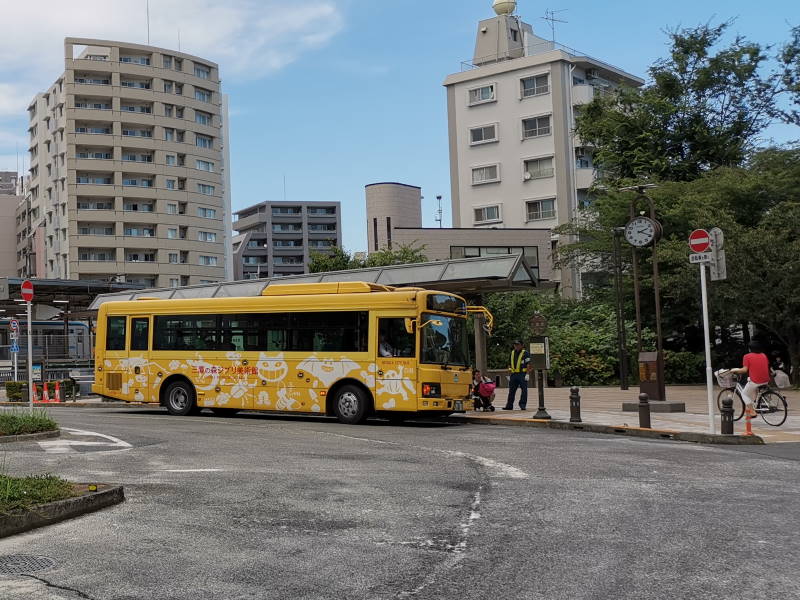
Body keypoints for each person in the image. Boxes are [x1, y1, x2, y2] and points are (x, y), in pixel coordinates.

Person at [730, 341, 770, 419]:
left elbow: (744, 370)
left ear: (750, 349)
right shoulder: (763, 355)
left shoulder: (747, 356)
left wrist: (735, 370)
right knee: (751, 385)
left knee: (744, 394)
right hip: (766, 379)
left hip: (756, 381)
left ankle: (752, 411)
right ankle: (755, 403)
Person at [504, 340, 531, 410]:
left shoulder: (525, 353)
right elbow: (509, 364)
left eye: (518, 345)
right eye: (515, 345)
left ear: (522, 345)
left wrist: (527, 374)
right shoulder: (512, 353)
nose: (516, 346)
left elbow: (528, 364)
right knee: (511, 391)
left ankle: (522, 404)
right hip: (513, 375)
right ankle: (509, 405)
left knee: (524, 390)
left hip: (522, 374)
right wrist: (509, 374)